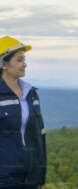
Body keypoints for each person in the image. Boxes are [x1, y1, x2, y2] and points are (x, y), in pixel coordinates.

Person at [0, 36, 47, 189]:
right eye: (19, 60)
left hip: (30, 179)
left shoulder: (31, 94)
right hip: (5, 180)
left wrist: (40, 176)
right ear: (4, 64)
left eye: (24, 59)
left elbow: (39, 136)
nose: (25, 64)